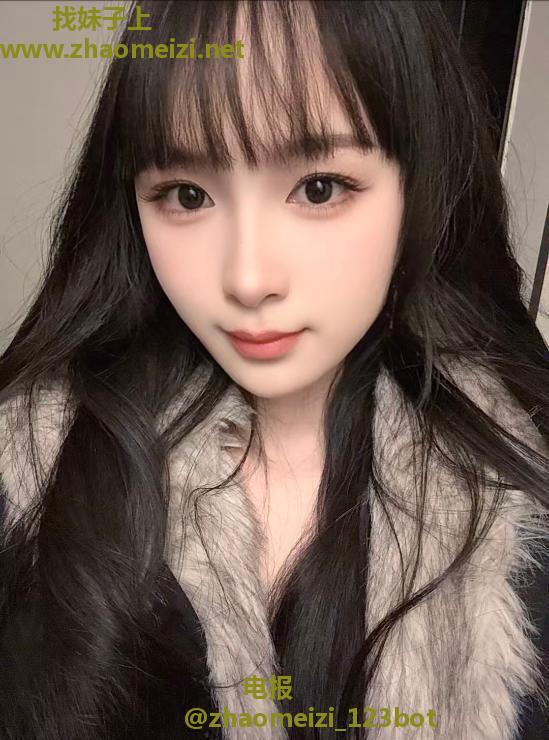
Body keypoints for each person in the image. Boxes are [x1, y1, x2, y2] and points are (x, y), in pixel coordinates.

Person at [0, 1, 547, 738]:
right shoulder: (32, 472)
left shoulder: (521, 494)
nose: (248, 278)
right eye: (187, 195)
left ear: (418, 187)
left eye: (318, 187)